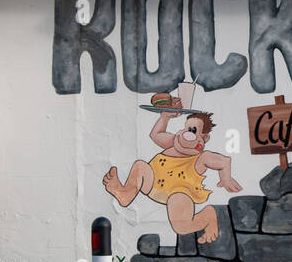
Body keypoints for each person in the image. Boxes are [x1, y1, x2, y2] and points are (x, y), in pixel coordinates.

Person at [102, 94, 241, 245]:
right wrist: (165, 117)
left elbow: (224, 161)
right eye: (187, 128)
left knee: (181, 226)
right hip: (153, 184)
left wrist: (225, 178)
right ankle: (125, 194)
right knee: (140, 166)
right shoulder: (173, 142)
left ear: (204, 138)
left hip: (179, 193)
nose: (187, 133)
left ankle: (208, 216)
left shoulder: (201, 157)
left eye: (193, 130)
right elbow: (155, 135)